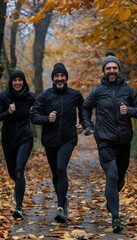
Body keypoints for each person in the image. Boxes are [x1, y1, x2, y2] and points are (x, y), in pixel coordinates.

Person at [82, 53, 137, 233]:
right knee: (111, 175)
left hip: (124, 140)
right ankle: (115, 218)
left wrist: (129, 110)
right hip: (104, 140)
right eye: (108, 68)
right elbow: (85, 107)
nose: (111, 71)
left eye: (114, 68)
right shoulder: (97, 91)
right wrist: (88, 125)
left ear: (118, 70)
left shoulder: (129, 91)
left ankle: (112, 196)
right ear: (104, 71)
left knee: (119, 178)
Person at [30, 63, 83, 223]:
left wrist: (82, 124)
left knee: (61, 167)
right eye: (57, 76)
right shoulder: (45, 95)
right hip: (50, 140)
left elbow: (84, 110)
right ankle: (63, 200)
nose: (59, 78)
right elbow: (33, 115)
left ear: (66, 78)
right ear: (53, 78)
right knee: (55, 174)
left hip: (68, 139)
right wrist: (47, 119)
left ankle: (60, 207)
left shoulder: (75, 95)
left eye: (62, 76)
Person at [0, 70, 35, 219]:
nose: (17, 83)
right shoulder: (3, 97)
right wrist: (8, 112)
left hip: (25, 138)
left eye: (20, 80)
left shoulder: (30, 98)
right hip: (8, 140)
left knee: (19, 168)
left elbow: (42, 111)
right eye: (15, 80)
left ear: (24, 82)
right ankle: (19, 189)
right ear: (11, 82)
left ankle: (18, 207)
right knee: (13, 174)